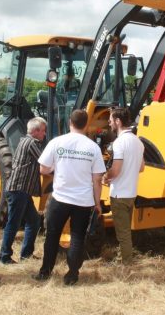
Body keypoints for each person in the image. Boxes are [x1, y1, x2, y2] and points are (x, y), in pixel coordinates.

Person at [35, 109, 105, 285]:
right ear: (86, 124)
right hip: (83, 201)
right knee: (78, 237)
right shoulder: (93, 147)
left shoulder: (57, 142)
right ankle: (72, 275)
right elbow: (97, 179)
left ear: (70, 123)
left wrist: (57, 170)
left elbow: (43, 169)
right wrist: (98, 203)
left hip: (60, 199)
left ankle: (45, 272)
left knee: (52, 235)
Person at [0, 117, 47, 264]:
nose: (44, 134)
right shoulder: (31, 143)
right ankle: (4, 256)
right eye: (43, 131)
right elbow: (44, 160)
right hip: (19, 189)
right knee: (13, 223)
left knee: (34, 221)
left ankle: (26, 254)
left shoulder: (24, 140)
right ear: (36, 131)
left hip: (22, 190)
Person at [103, 108, 144, 265]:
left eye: (111, 120)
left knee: (123, 232)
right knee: (125, 229)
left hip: (119, 193)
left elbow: (116, 169)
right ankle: (124, 258)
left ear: (118, 121)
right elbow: (141, 168)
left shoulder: (119, 142)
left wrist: (106, 177)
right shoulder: (138, 142)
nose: (109, 123)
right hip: (132, 192)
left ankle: (126, 263)